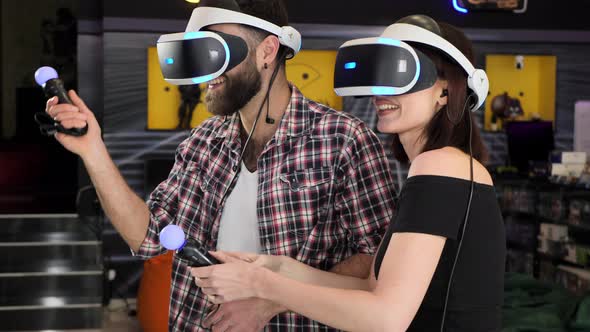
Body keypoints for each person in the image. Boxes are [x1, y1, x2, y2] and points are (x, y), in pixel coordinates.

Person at [44, 0, 396, 331]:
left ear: (268, 51)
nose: (206, 70)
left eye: (219, 51)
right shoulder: (202, 143)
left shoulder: (345, 140)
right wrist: (93, 150)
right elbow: (150, 237)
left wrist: (272, 302)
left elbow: (374, 263)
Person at [192, 15, 506, 332]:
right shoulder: (440, 168)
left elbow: (385, 318)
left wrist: (261, 284)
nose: (382, 92)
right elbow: (371, 289)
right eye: (380, 75)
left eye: (401, 74)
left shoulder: (441, 164)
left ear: (445, 92)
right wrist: (276, 268)